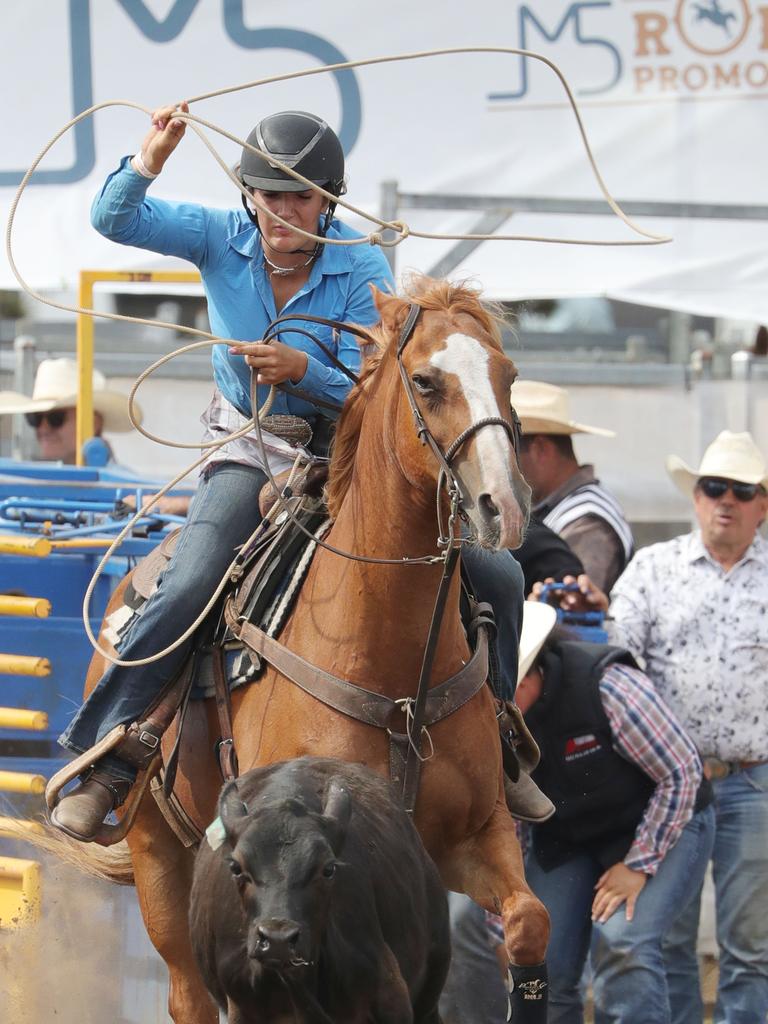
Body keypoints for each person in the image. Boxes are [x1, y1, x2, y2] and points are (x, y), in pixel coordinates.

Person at [52, 104, 536, 840]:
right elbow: (115, 219)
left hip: (343, 457)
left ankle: (501, 746)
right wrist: (150, 157)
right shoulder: (219, 235)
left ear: (327, 201)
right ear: (250, 195)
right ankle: (113, 754)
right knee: (193, 576)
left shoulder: (364, 267)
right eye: (269, 194)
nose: (283, 211)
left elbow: (380, 399)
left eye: (300, 196)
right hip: (250, 446)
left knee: (499, 574)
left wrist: (307, 371)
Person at [442, 603, 714, 1024]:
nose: (494, 709)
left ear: (529, 673)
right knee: (541, 956)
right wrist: (505, 932)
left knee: (624, 941)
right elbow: (503, 825)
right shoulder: (493, 729)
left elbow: (681, 773)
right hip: (570, 835)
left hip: (666, 819)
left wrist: (638, 865)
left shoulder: (608, 685)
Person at [604, 430, 768, 1024]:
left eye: (742, 490)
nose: (726, 499)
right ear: (696, 497)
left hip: (753, 782)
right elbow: (616, 652)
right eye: (714, 487)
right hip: (671, 787)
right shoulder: (654, 568)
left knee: (750, 945)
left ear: (762, 504)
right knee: (668, 937)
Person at [510, 380, 633, 592]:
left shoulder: (589, 524)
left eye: (509, 453)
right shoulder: (568, 510)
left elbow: (574, 612)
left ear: (541, 448)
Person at [0, 357, 139, 465]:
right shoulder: (27, 486)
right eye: (35, 418)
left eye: (56, 418)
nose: (43, 428)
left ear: (93, 423)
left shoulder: (131, 492)